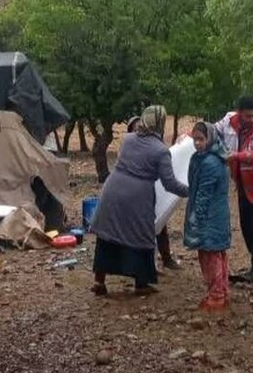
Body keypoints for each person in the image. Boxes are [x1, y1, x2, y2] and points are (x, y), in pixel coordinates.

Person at [90, 106, 188, 296]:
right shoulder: (161, 151)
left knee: (108, 235)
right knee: (140, 236)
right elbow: (169, 184)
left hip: (113, 189)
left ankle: (99, 282)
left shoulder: (127, 140)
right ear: (160, 122)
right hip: (137, 196)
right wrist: (189, 191)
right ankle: (141, 284)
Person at [213, 95, 253, 283]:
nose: (252, 119)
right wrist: (192, 134)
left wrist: (235, 156)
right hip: (242, 181)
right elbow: (213, 130)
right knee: (245, 225)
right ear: (239, 112)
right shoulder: (228, 120)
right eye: (248, 116)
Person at [183, 122, 232, 311]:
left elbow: (204, 193)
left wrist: (197, 218)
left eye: (201, 139)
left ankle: (216, 297)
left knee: (209, 255)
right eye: (195, 139)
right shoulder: (210, 157)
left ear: (209, 139)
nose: (197, 143)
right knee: (217, 254)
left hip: (210, 216)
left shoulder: (209, 162)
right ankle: (222, 292)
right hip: (216, 215)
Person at [126, 115, 182, 272]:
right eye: (134, 129)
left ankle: (165, 258)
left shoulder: (154, 145)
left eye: (140, 128)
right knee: (140, 229)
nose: (138, 131)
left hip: (153, 190)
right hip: (136, 193)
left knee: (160, 224)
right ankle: (145, 264)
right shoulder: (129, 146)